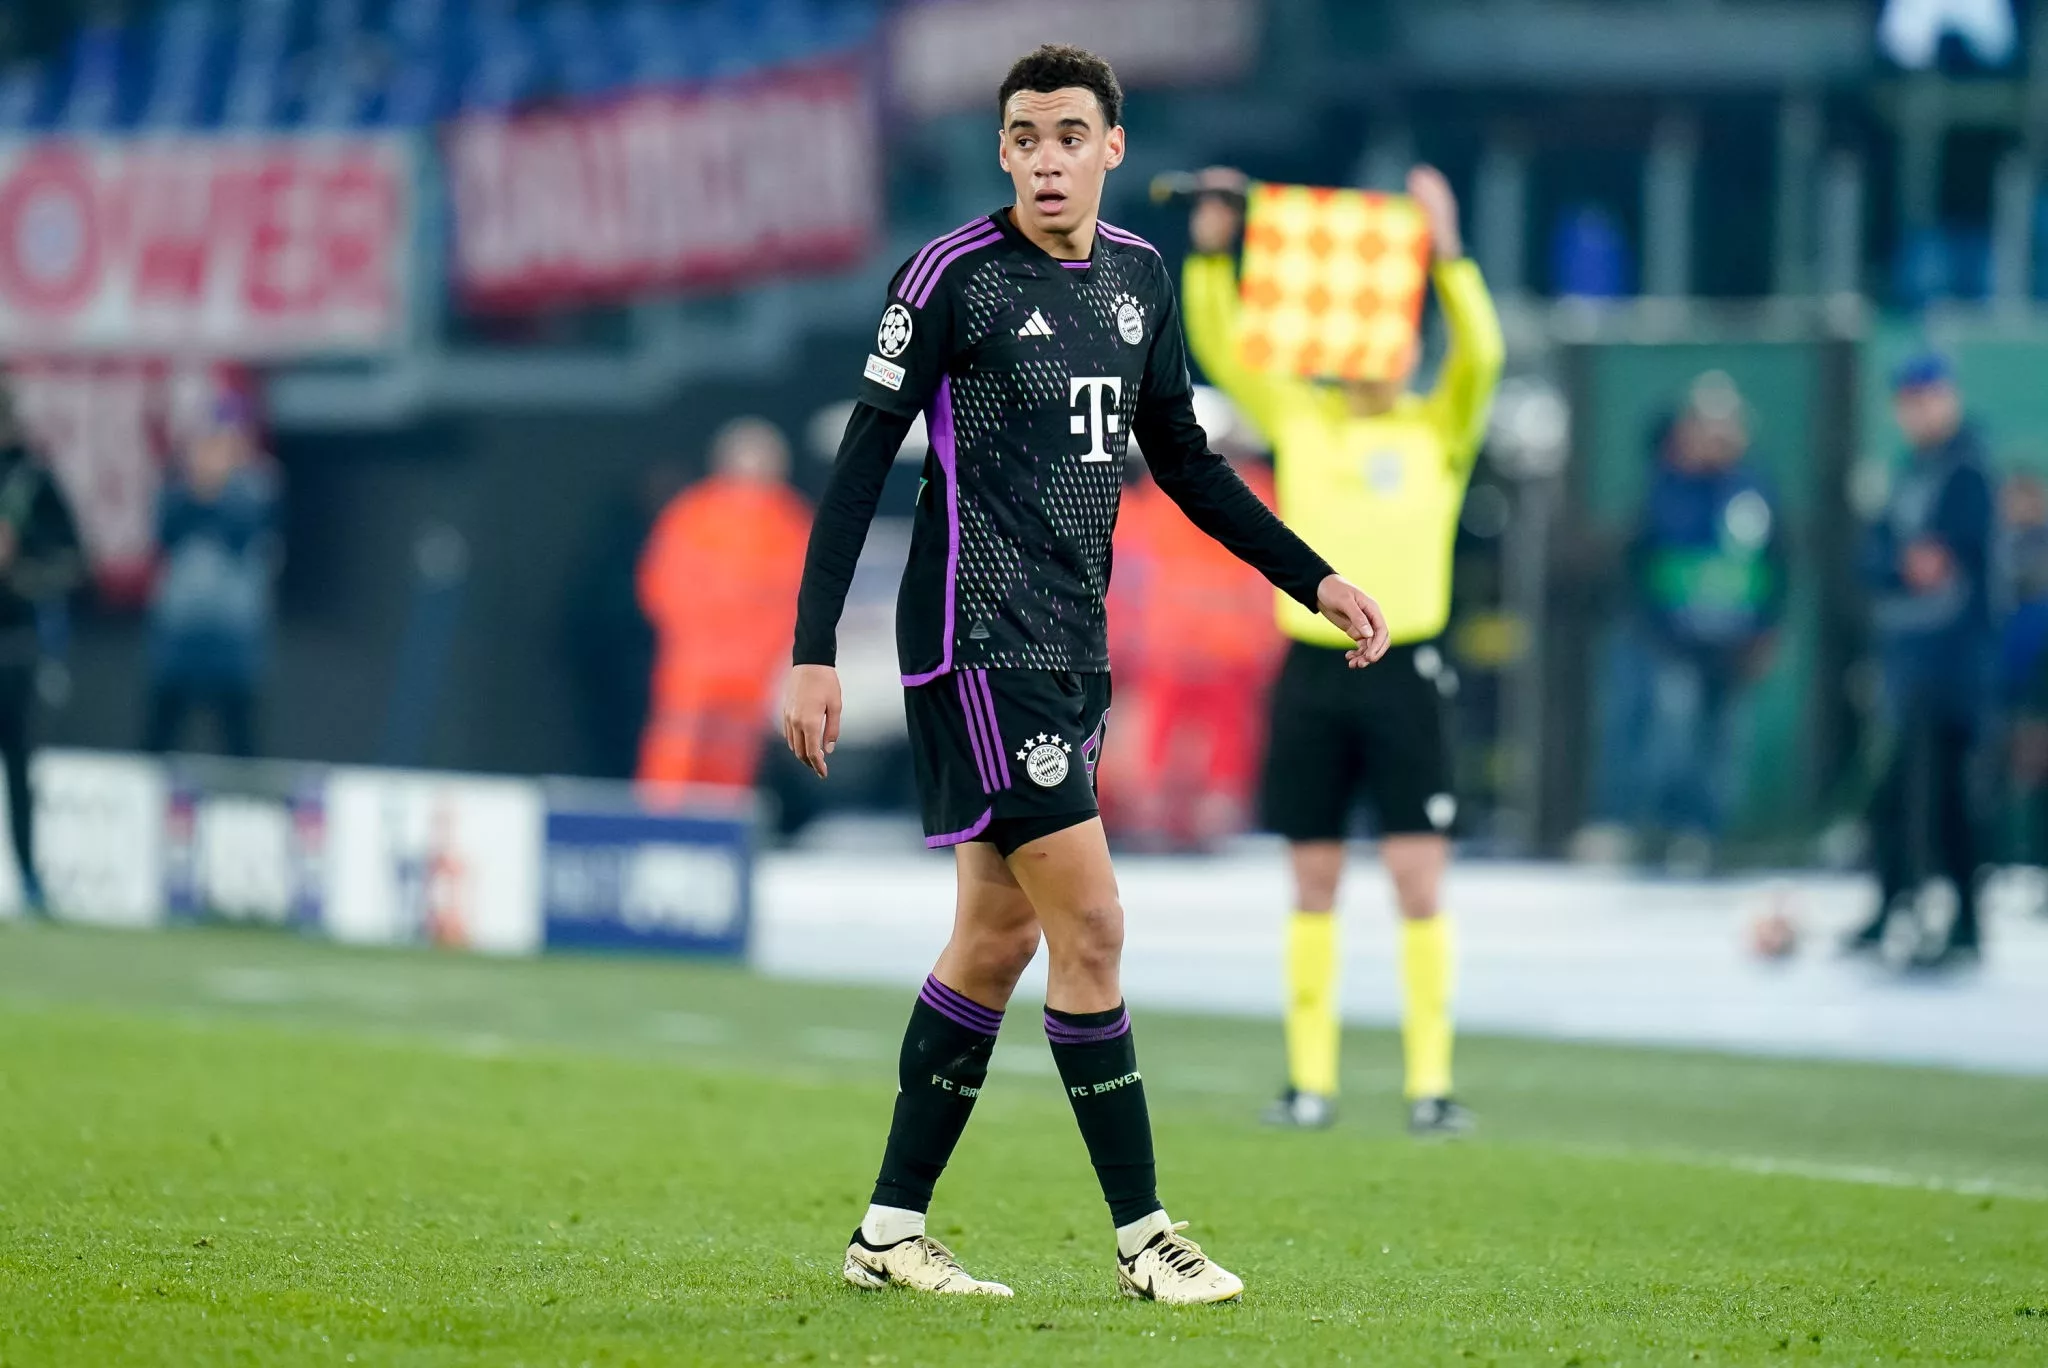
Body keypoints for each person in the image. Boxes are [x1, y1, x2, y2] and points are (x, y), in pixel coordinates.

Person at [782, 45, 1388, 1304]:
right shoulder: (950, 278)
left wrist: (1312, 578)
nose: (1045, 158)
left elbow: (1188, 462)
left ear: (1113, 147)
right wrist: (810, 652)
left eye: (1068, 135)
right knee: (1093, 926)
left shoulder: (1138, 279)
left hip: (1071, 646)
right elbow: (858, 466)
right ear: (1001, 152)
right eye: (1024, 137)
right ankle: (1144, 1238)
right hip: (975, 643)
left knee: (995, 937)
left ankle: (887, 1232)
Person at [1180, 163, 1503, 1134]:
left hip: (1407, 673)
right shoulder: (1303, 417)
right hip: (1314, 672)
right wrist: (1211, 253)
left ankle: (1429, 1086)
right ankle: (1308, 1083)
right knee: (1312, 880)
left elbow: (1483, 354)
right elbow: (1222, 345)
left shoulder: (1438, 426)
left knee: (1417, 879)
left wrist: (1448, 255)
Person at [1597, 375, 1786, 872]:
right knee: (1668, 738)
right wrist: (1654, 630)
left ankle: (1700, 835)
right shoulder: (1666, 486)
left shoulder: (1752, 490)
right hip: (1673, 641)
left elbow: (1777, 563)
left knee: (1721, 747)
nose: (1718, 438)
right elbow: (1640, 563)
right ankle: (1653, 828)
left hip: (1732, 643)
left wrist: (1767, 629)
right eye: (1707, 426)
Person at [1844, 354, 1994, 969]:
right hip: (1909, 664)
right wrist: (1903, 567)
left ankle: (1963, 921)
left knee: (1948, 799)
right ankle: (1895, 905)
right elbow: (1878, 560)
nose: (1920, 410)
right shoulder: (1910, 474)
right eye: (1910, 400)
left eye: (1930, 396)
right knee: (1895, 799)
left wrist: (1912, 568)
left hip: (1955, 667)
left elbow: (1951, 570)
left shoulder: (1967, 473)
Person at [1106, 456, 1281, 851]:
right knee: (1159, 738)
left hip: (1214, 650)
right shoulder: (1153, 501)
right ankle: (1161, 816)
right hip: (1179, 649)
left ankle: (1196, 818)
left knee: (1213, 745)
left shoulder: (1247, 494)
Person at [637, 419, 811, 790]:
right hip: (694, 664)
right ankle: (662, 817)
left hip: (754, 670)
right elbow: (662, 584)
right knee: (676, 747)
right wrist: (699, 637)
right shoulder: (692, 514)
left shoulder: (791, 523)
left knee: (734, 753)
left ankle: (723, 818)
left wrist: (764, 648)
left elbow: (802, 597)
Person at [144, 395, 276, 758]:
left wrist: (216, 489)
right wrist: (196, 486)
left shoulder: (260, 486)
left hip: (234, 631)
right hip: (180, 627)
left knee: (238, 731)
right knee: (162, 726)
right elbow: (164, 534)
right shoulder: (177, 487)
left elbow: (243, 533)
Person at [0, 383, 84, 917]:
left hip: (15, 648)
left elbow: (74, 563)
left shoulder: (32, 480)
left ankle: (29, 879)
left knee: (18, 770)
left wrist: (18, 570)